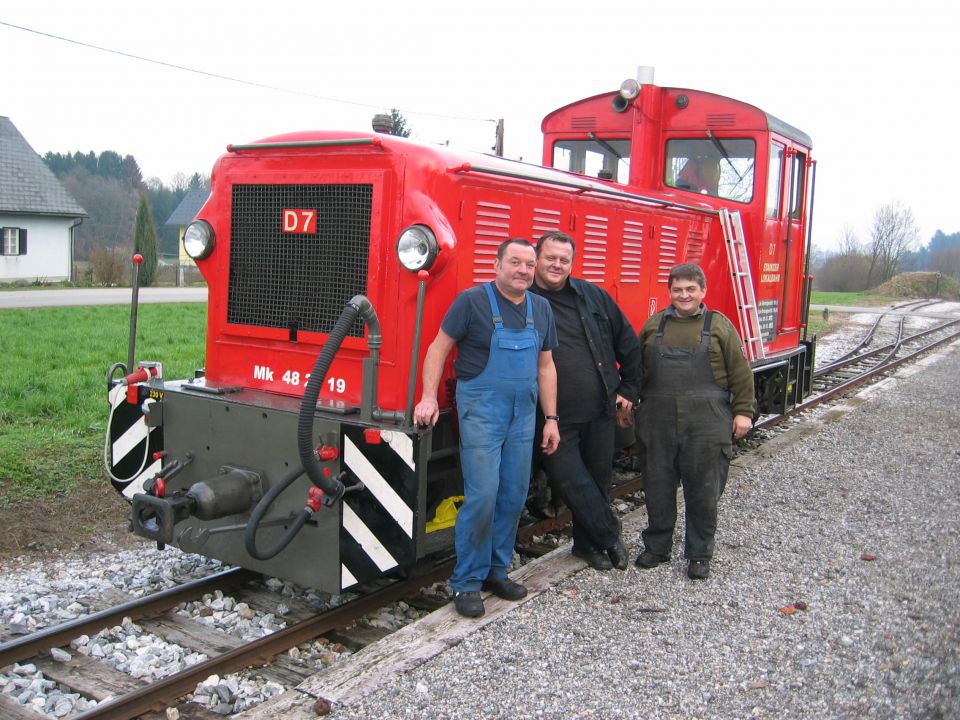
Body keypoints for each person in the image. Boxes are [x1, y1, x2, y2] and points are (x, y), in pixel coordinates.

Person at [414, 238, 560, 618]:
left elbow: (546, 367)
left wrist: (553, 419)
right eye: (515, 262)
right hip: (482, 412)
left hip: (523, 416)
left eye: (529, 265)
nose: (523, 270)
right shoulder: (472, 302)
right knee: (483, 497)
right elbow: (438, 348)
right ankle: (466, 582)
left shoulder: (541, 308)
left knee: (513, 496)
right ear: (497, 265)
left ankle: (497, 571)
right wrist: (428, 396)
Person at [634, 263, 754, 580]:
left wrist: (743, 411)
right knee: (657, 487)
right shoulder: (654, 325)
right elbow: (637, 370)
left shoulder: (720, 326)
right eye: (677, 290)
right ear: (670, 292)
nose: (683, 295)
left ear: (702, 291)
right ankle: (657, 547)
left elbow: (741, 372)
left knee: (703, 491)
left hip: (707, 421)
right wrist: (626, 396)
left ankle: (699, 554)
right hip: (658, 420)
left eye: (690, 289)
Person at [530, 231, 641, 571]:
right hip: (551, 417)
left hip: (599, 409)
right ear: (538, 257)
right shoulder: (523, 300)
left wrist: (630, 388)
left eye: (564, 260)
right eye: (551, 257)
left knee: (597, 479)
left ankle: (586, 546)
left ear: (572, 264)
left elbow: (628, 341)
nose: (557, 265)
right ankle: (610, 537)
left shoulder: (592, 296)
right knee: (572, 481)